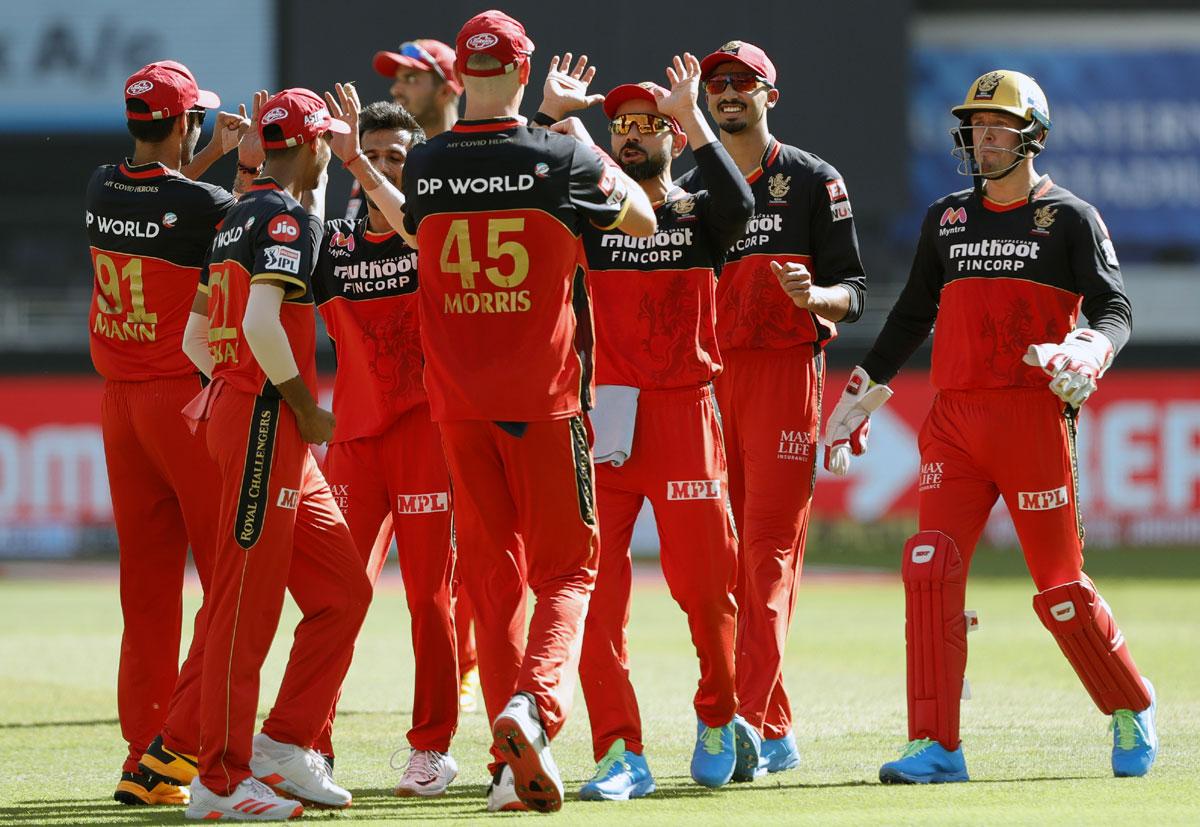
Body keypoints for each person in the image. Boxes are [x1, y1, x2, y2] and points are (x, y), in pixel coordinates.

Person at [824, 69, 1157, 784]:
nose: (983, 137)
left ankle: (1130, 702)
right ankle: (936, 744)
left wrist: (1091, 347)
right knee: (928, 570)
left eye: (998, 125)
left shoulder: (1069, 217)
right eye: (975, 126)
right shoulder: (946, 217)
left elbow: (1114, 308)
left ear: (1032, 134)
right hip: (954, 420)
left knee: (1060, 589)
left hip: (1031, 417)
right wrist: (861, 393)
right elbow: (913, 312)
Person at [396, 9, 655, 812]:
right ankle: (532, 709)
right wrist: (564, 125)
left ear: (461, 75)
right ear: (522, 68)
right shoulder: (563, 155)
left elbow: (422, 231)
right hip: (542, 401)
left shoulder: (426, 164)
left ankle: (509, 770)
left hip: (456, 405)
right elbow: (641, 219)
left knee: (493, 580)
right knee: (569, 571)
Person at [537, 55, 758, 797]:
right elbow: (523, 189)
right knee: (597, 590)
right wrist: (545, 118)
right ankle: (619, 750)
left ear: (670, 133)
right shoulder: (590, 214)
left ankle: (722, 715)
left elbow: (742, 206)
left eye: (647, 124)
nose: (631, 136)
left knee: (705, 588)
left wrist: (694, 114)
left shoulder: (701, 212)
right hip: (605, 411)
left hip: (686, 409)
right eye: (621, 125)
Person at [180, 87, 374, 821]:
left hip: (245, 411)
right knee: (244, 604)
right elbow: (263, 320)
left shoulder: (234, 218)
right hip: (269, 417)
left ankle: (283, 743)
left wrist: (234, 387)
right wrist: (298, 403)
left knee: (343, 591)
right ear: (317, 144)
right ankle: (219, 782)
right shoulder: (284, 218)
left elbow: (196, 337)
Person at [675, 40, 867, 775]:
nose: (726, 93)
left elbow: (855, 290)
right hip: (708, 381)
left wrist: (816, 297)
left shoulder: (815, 180)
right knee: (723, 564)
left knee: (767, 556)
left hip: (786, 374)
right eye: (717, 84)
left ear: (769, 97)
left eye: (741, 84)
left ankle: (740, 717)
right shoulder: (692, 185)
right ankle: (777, 727)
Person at [86, 59, 257, 807]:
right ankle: (186, 747)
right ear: (184, 122)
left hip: (118, 406)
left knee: (146, 590)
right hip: (178, 404)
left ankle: (141, 754)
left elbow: (161, 197)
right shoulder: (208, 201)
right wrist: (247, 165)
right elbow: (239, 223)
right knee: (228, 581)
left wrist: (211, 153)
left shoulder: (99, 185)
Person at [308, 100, 460, 797]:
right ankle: (310, 743)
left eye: (400, 158)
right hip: (354, 444)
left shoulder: (430, 233)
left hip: (426, 436)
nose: (383, 169)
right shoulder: (332, 245)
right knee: (337, 596)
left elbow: (412, 226)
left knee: (430, 599)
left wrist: (363, 165)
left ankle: (432, 748)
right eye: (374, 155)